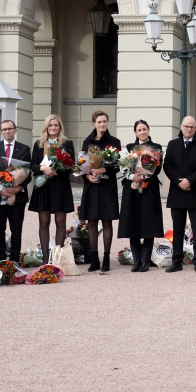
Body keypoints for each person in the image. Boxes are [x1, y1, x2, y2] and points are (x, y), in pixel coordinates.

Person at [162, 116, 196, 272]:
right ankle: (176, 261)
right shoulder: (172, 144)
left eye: (192, 127)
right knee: (177, 228)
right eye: (186, 126)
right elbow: (167, 165)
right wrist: (179, 182)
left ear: (195, 128)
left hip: (195, 191)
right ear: (181, 127)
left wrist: (190, 180)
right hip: (177, 191)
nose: (189, 129)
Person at [28, 113, 75, 265]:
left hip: (60, 185)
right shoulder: (39, 144)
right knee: (44, 222)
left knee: (61, 221)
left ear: (59, 127)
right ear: (46, 127)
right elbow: (32, 165)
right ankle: (44, 259)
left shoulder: (67, 144)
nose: (53, 127)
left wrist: (56, 169)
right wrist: (43, 169)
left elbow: (70, 166)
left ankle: (57, 257)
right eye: (50, 125)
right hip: (44, 187)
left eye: (56, 125)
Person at [118, 120, 164, 272]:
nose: (142, 132)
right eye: (139, 130)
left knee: (148, 225)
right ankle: (136, 260)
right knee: (133, 224)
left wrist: (144, 176)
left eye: (144, 129)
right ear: (135, 132)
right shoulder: (130, 148)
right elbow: (124, 167)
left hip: (149, 189)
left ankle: (145, 260)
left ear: (148, 130)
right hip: (132, 190)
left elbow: (157, 169)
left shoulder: (156, 148)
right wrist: (133, 176)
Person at [80, 110, 121, 272]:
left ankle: (106, 258)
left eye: (104, 121)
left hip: (106, 186)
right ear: (94, 123)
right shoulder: (87, 142)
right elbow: (81, 163)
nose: (102, 124)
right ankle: (94, 258)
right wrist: (87, 176)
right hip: (91, 186)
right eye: (99, 122)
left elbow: (117, 165)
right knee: (91, 222)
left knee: (106, 221)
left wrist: (104, 170)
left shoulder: (114, 141)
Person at [0, 119, 32, 263]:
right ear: (1, 132)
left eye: (10, 129)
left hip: (17, 196)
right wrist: (0, 189)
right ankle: (0, 258)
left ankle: (14, 259)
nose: (7, 132)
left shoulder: (24, 149)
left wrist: (17, 188)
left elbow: (28, 173)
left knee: (16, 229)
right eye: (4, 129)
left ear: (15, 130)